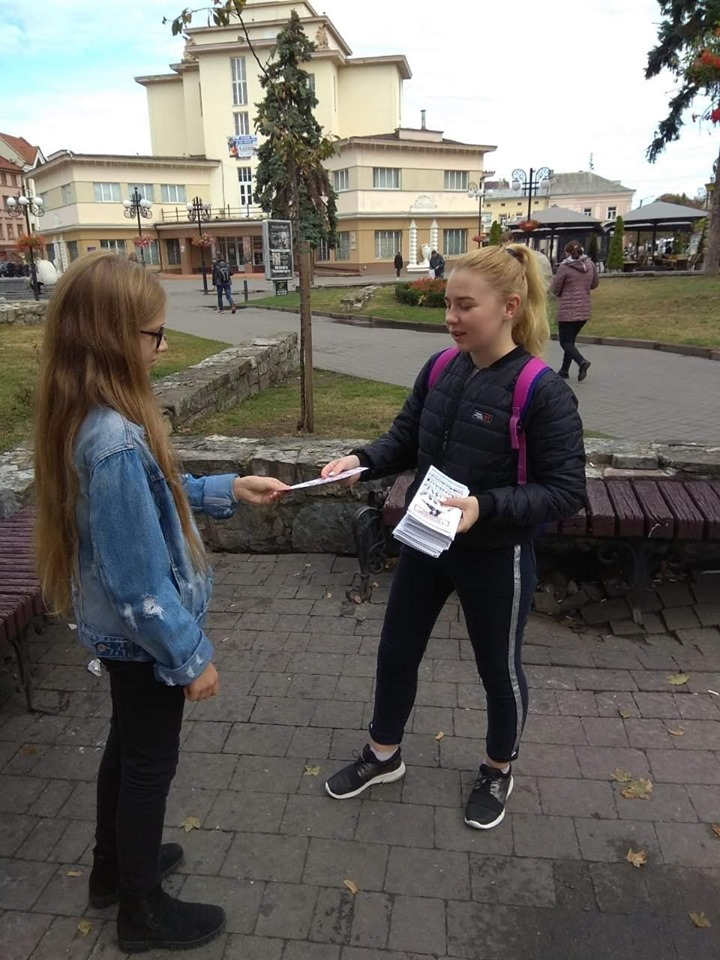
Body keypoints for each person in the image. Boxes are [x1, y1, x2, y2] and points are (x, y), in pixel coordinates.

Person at [33, 253, 289, 952]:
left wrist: (225, 488)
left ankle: (112, 870)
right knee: (149, 766)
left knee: (127, 750)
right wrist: (189, 656)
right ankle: (140, 909)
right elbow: (139, 583)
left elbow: (149, 504)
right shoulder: (113, 441)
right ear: (115, 338)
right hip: (144, 643)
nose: (164, 347)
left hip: (122, 642)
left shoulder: (93, 420)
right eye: (155, 334)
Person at [320, 244, 586, 830]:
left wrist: (484, 507)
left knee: (497, 668)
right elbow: (405, 439)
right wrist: (361, 460)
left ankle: (497, 767)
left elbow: (566, 491)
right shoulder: (442, 368)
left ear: (509, 307)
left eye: (465, 306)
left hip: (494, 554)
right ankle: (383, 755)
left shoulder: (542, 391)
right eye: (448, 304)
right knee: (396, 650)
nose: (451, 317)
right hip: (426, 540)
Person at [551, 241, 598, 382]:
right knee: (570, 341)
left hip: (568, 310)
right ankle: (564, 370)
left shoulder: (565, 267)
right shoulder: (590, 264)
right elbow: (595, 284)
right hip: (584, 310)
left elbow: (555, 288)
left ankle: (581, 361)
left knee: (565, 342)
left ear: (568, 253)